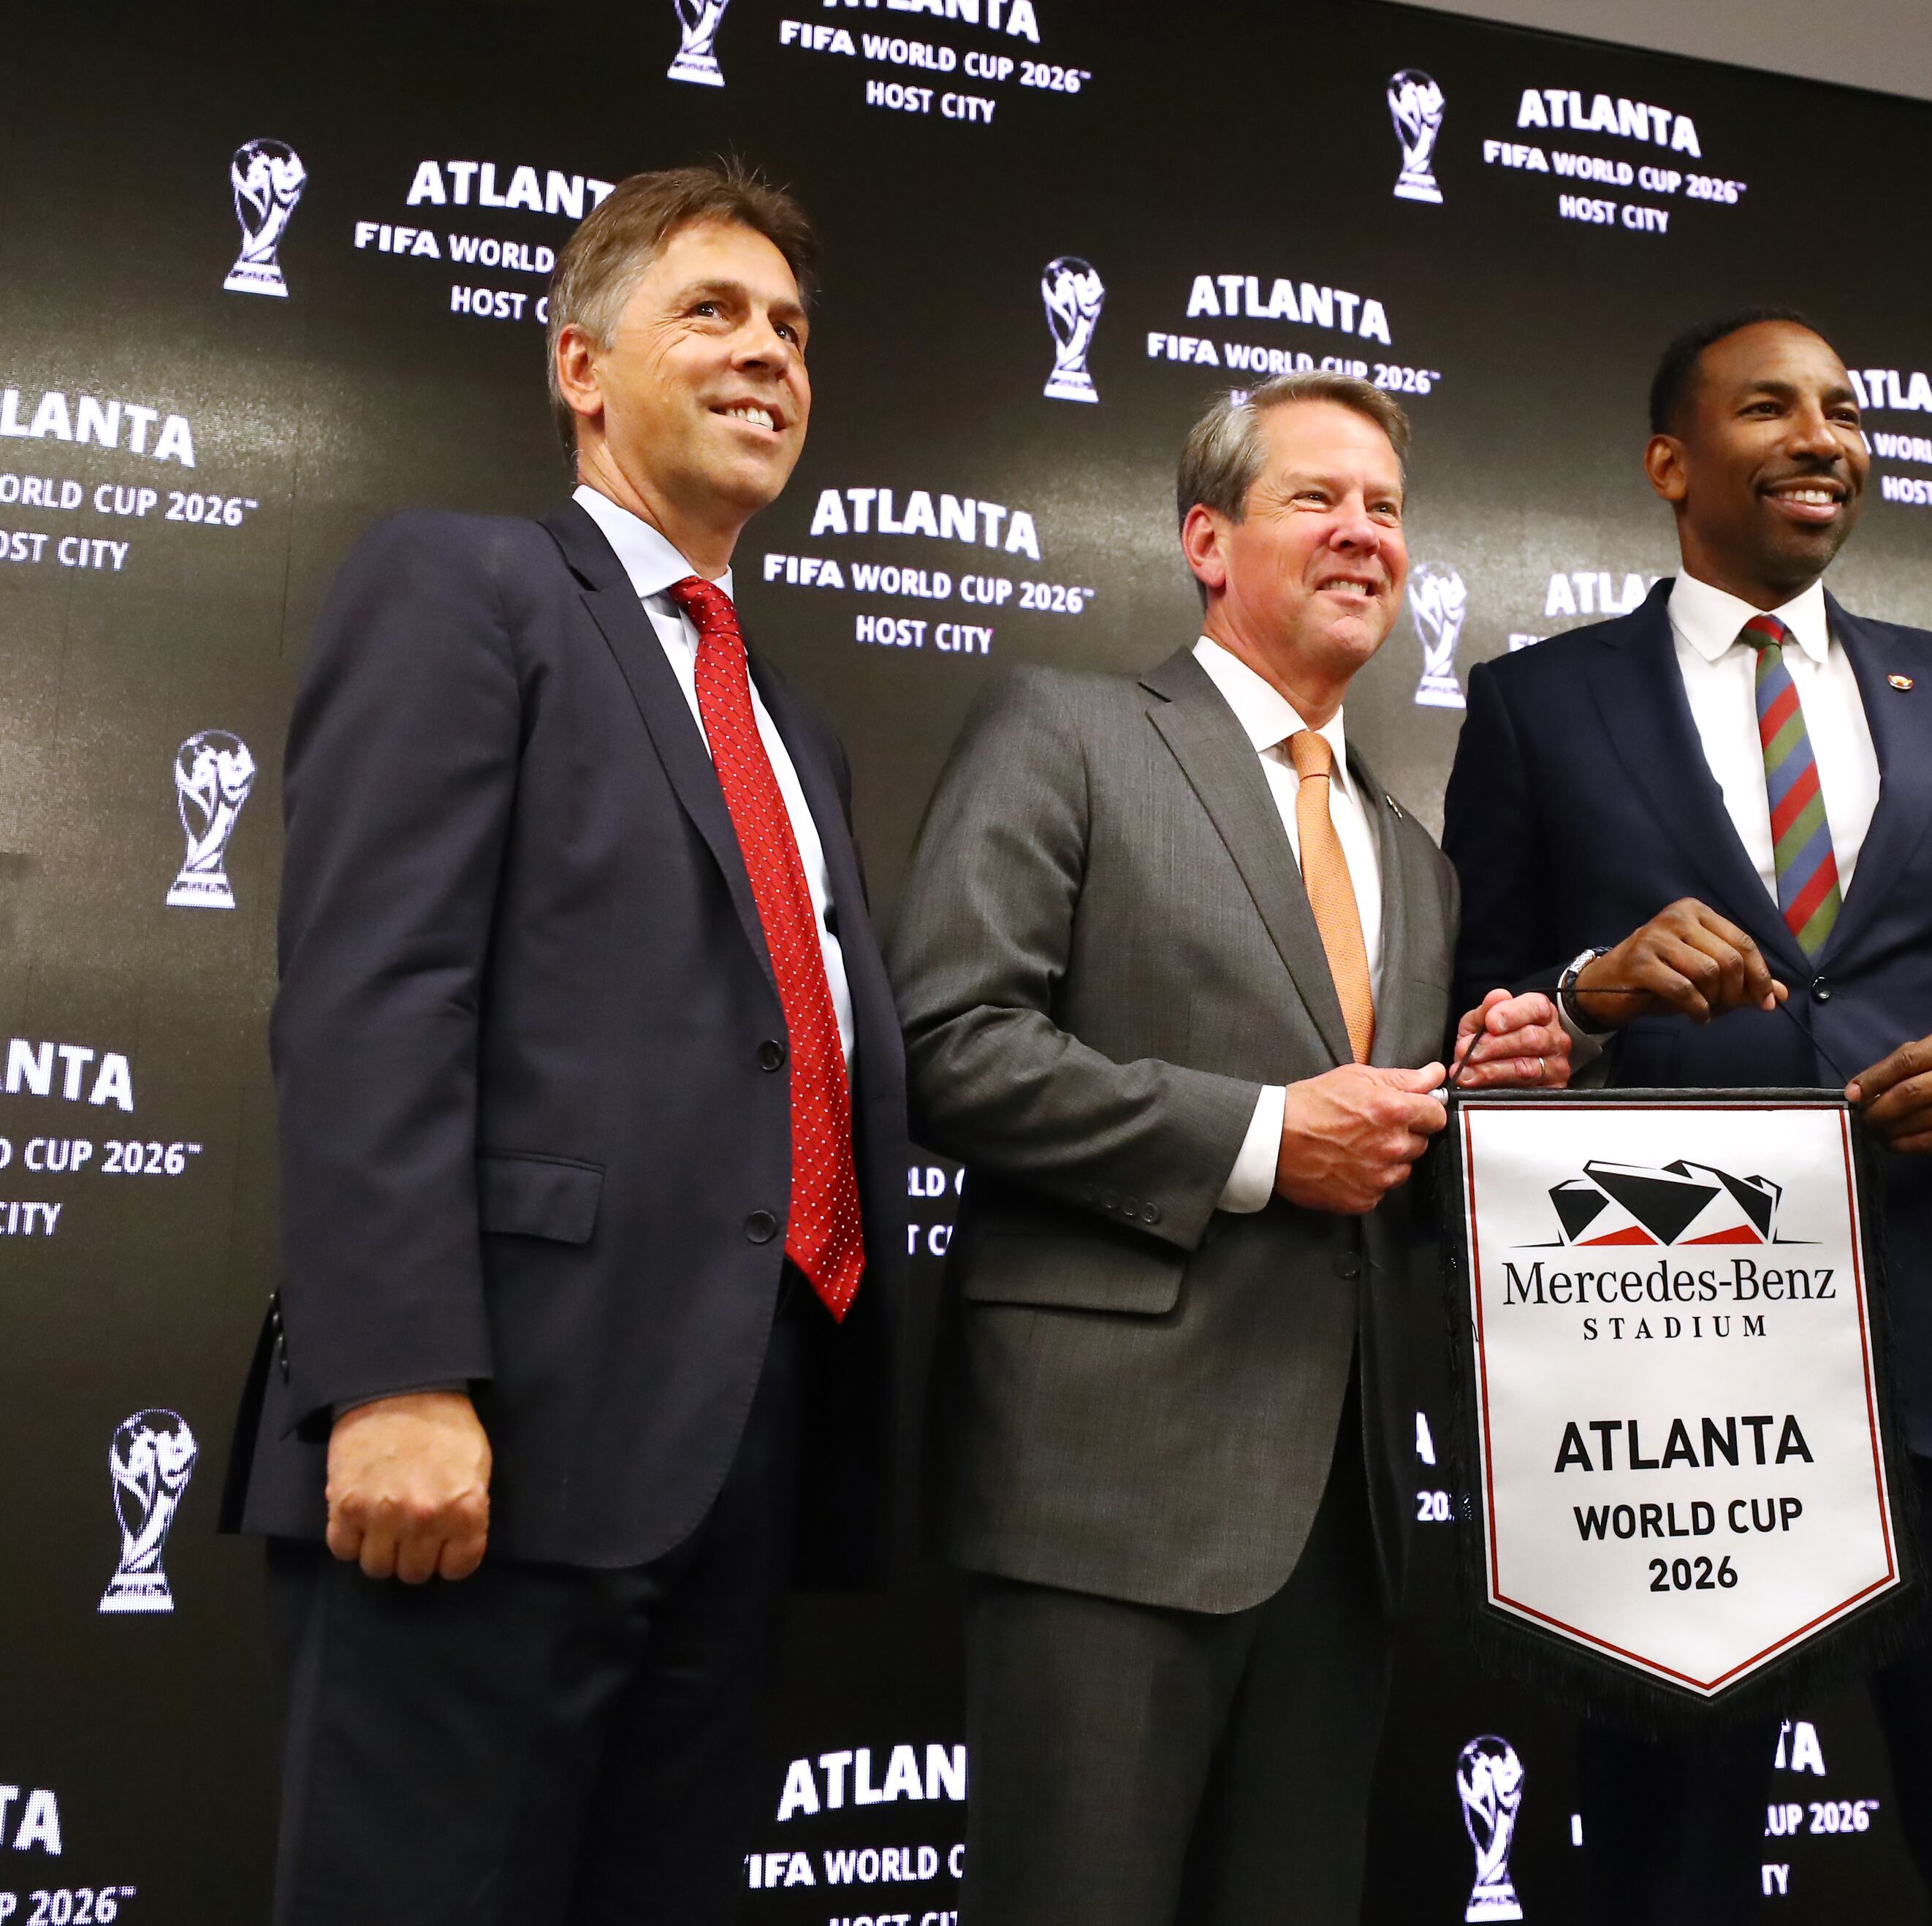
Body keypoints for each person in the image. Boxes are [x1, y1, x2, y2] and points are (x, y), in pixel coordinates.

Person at [221, 162, 909, 1926]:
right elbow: (376, 991)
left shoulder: (789, 721)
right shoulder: (464, 588)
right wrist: (392, 1374)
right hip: (486, 1447)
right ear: (579, 369)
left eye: (793, 331)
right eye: (714, 311)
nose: (768, 354)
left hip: (733, 1465)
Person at [1442, 311, 1932, 1925]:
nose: (1825, 436)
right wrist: (1592, 986)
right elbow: (1475, 1019)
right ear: (1673, 461)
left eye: (1847, 411)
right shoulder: (1535, 705)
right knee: (1668, 1881)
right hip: (1671, 1406)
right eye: (1770, 408)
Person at [887, 372, 1570, 1926]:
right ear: (1207, 537)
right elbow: (949, 1046)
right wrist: (1266, 1135)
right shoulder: (1064, 730)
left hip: (1345, 1518)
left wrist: (1478, 1102)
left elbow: (1383, 1167)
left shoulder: (1413, 852)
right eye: (1317, 500)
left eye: (1386, 509)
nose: (1363, 536)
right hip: (1106, 1497)